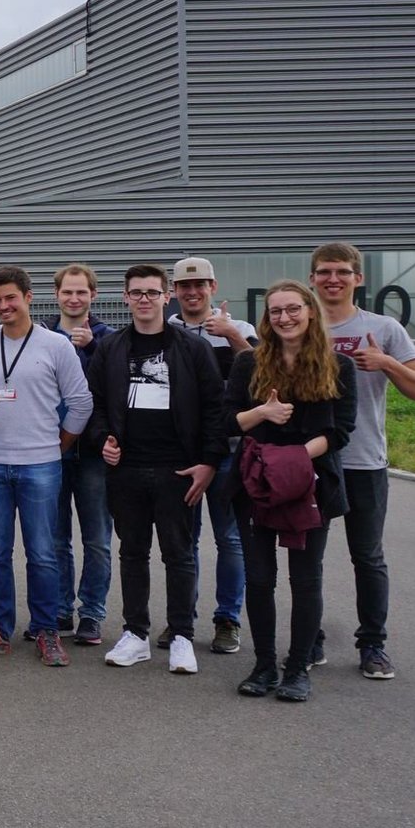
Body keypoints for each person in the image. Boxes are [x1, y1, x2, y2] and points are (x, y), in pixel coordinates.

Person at [86, 265, 226, 675]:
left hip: (177, 469)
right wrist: (102, 439)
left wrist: (209, 462)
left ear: (167, 297)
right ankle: (135, 634)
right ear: (125, 298)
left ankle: (182, 636)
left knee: (179, 554)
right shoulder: (111, 349)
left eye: (152, 292)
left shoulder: (192, 348)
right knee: (132, 553)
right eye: (136, 292)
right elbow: (95, 404)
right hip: (126, 469)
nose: (144, 299)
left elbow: (215, 410)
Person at [0, 265, 92, 666]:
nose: (3, 306)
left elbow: (81, 402)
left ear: (29, 298)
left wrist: (58, 446)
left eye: (10, 298)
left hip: (41, 464)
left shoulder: (57, 345)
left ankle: (46, 629)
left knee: (43, 553)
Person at [229, 280, 357, 702]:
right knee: (259, 578)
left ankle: (298, 668)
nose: (284, 318)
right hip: (255, 483)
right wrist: (262, 412)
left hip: (311, 484)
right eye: (276, 311)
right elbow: (229, 420)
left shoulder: (339, 366)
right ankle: (264, 665)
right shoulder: (248, 363)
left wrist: (293, 459)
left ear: (310, 311)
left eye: (293, 309)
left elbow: (340, 432)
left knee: (305, 579)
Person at [311, 241, 415, 680]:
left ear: (359, 277)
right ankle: (310, 638)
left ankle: (372, 644)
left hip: (365, 460)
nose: (333, 279)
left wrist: (386, 362)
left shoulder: (383, 327)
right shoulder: (300, 324)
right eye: (324, 272)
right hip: (313, 461)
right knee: (308, 558)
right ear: (312, 279)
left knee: (368, 557)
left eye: (341, 271)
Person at [167, 256, 256, 655]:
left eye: (200, 284)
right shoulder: (166, 331)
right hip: (182, 450)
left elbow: (265, 377)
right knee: (183, 541)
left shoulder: (242, 330)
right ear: (174, 291)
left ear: (213, 287)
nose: (192, 292)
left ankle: (227, 619)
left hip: (230, 450)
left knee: (230, 538)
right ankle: (181, 620)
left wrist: (232, 336)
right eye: (185, 286)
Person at [43, 264, 115, 644]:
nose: (74, 298)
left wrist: (91, 348)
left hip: (92, 453)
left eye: (81, 292)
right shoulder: (41, 336)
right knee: (55, 539)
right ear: (56, 295)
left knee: (97, 539)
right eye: (67, 292)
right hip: (51, 449)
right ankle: (59, 608)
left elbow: (117, 384)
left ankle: (91, 613)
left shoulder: (110, 339)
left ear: (93, 295)